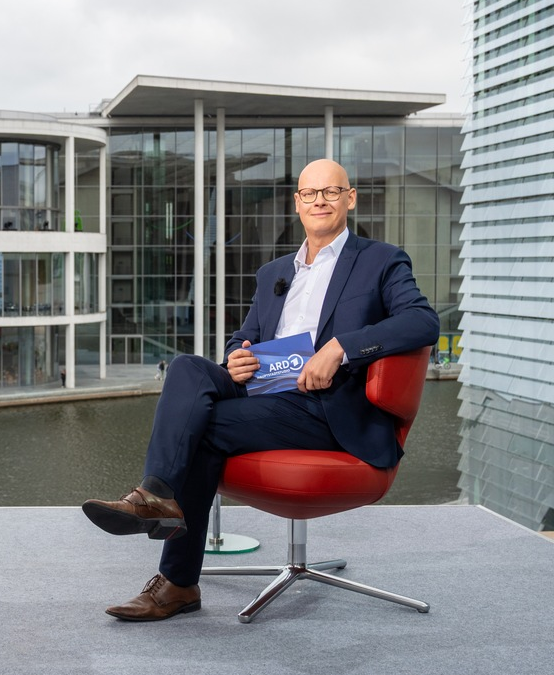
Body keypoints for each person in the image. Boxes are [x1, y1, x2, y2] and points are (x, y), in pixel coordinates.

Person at [81, 159, 438, 622]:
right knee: (188, 367)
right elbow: (245, 336)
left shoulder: (381, 260)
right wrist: (237, 356)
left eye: (331, 192)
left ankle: (176, 579)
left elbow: (422, 321)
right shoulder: (274, 272)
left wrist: (341, 349)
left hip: (327, 408)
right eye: (309, 194)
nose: (320, 201)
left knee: (203, 428)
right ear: (297, 204)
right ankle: (153, 497)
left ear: (350, 199)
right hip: (267, 390)